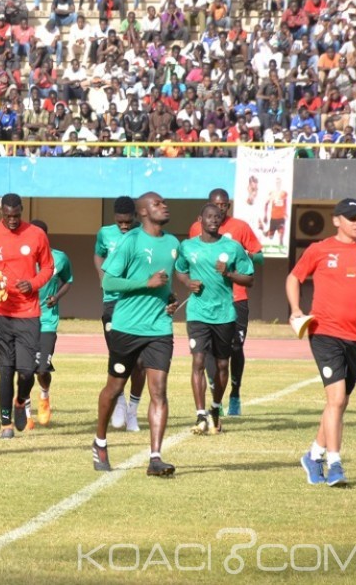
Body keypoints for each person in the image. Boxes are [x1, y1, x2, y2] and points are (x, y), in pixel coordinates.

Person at [92, 192, 180, 476]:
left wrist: (171, 299)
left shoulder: (173, 243)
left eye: (164, 202)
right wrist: (146, 283)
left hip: (159, 329)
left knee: (159, 391)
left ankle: (155, 458)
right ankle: (100, 441)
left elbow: (165, 284)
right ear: (143, 212)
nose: (163, 206)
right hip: (127, 327)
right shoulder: (131, 241)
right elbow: (110, 282)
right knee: (114, 388)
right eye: (157, 204)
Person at [290, 198, 356, 487]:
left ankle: (313, 455)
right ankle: (335, 464)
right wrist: (296, 310)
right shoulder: (319, 249)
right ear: (337, 220)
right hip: (324, 333)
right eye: (351, 217)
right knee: (336, 399)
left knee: (339, 403)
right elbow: (293, 278)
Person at [0, 194, 54, 438]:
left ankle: (21, 400)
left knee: (28, 371)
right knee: (6, 369)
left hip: (28, 312)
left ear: (22, 210)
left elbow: (48, 267)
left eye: (16, 215)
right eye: (7, 215)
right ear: (1, 211)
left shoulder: (36, 235)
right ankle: (5, 424)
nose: (11, 220)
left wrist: (35, 283)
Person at [176, 203, 254, 436]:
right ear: (200, 219)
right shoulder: (187, 246)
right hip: (198, 314)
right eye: (209, 216)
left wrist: (228, 273)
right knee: (198, 361)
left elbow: (249, 279)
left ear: (222, 220)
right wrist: (187, 283)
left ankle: (216, 408)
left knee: (222, 365)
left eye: (217, 217)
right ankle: (201, 414)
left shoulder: (233, 248)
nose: (213, 220)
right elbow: (180, 270)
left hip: (224, 314)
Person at [187, 188, 263, 415]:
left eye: (224, 206)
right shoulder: (195, 229)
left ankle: (235, 393)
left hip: (235, 299)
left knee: (235, 347)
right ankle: (214, 396)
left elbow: (259, 257)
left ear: (228, 207)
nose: (219, 209)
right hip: (206, 300)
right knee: (207, 351)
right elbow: (191, 258)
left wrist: (242, 258)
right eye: (215, 205)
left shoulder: (240, 227)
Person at [94, 195, 143, 432]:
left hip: (137, 303)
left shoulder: (142, 234)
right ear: (115, 217)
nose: (124, 226)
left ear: (135, 217)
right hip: (112, 303)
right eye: (120, 222)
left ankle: (133, 412)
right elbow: (98, 254)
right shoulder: (105, 233)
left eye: (128, 221)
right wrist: (103, 279)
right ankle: (120, 403)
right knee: (118, 354)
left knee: (140, 362)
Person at [28, 219, 72, 429]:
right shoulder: (21, 255)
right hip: (24, 319)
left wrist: (57, 297)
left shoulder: (59, 257)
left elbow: (68, 280)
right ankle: (26, 412)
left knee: (42, 368)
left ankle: (44, 395)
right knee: (24, 367)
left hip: (47, 320)